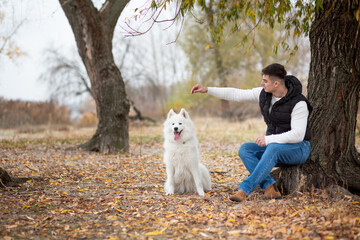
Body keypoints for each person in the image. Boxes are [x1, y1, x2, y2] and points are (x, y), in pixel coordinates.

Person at [190, 63, 312, 202]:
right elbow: (236, 94)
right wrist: (207, 89)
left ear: (276, 83)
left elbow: (298, 135)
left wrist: (269, 140)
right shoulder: (264, 94)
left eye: (265, 81)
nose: (262, 83)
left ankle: (245, 189)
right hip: (275, 147)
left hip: (299, 149)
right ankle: (269, 187)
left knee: (273, 148)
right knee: (246, 149)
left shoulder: (299, 103)